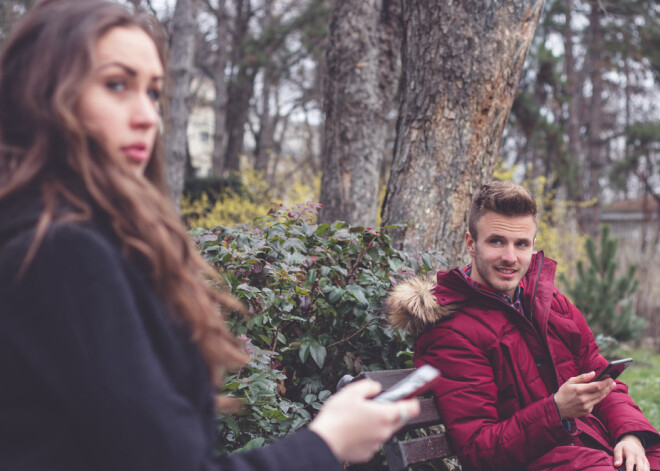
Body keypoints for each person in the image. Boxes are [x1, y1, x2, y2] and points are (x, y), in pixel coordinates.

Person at [0, 1, 419, 470]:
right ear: (42, 95)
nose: (147, 117)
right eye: (116, 84)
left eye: (154, 92)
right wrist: (326, 443)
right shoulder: (62, 252)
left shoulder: (66, 238)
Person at [386, 181, 660, 471]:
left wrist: (630, 436)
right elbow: (477, 451)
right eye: (496, 241)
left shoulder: (551, 302)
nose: (510, 257)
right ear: (470, 243)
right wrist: (556, 411)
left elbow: (604, 382)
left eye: (521, 244)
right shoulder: (450, 331)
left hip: (597, 449)